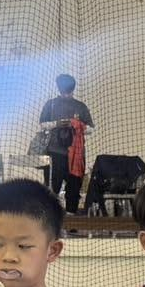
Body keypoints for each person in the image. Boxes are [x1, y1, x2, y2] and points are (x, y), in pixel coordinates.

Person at [38, 74, 94, 216]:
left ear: (72, 89)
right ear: (59, 88)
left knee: (74, 188)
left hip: (76, 155)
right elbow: (42, 124)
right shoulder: (51, 104)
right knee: (52, 188)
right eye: (64, 90)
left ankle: (71, 218)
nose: (66, 93)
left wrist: (76, 125)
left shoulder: (80, 106)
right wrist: (57, 123)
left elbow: (91, 129)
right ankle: (51, 217)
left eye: (68, 90)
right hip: (54, 153)